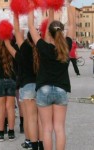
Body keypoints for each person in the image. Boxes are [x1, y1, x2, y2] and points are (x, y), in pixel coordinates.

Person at [28, 1, 73, 150]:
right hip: (61, 90)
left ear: (48, 33)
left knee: (46, 129)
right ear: (62, 32)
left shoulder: (43, 47)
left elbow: (31, 28)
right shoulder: (66, 46)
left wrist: (30, 6)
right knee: (59, 128)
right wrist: (68, 5)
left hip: (44, 89)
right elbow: (72, 26)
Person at [4, 14, 43, 150]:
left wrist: (15, 14)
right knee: (39, 119)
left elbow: (11, 42)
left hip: (26, 86)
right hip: (40, 86)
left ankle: (30, 142)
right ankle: (41, 143)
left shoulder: (24, 51)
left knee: (28, 118)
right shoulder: (42, 48)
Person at [0, 26, 17, 142]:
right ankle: (11, 132)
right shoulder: (14, 49)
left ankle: (1, 133)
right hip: (11, 80)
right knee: (10, 108)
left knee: (1, 109)